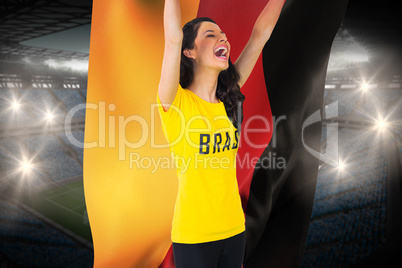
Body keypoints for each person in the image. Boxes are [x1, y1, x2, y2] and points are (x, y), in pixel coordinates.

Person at [156, 0, 285, 267]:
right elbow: (172, 39)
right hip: (194, 236)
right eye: (211, 34)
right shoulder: (176, 102)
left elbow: (261, 34)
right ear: (189, 52)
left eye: (223, 35)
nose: (222, 37)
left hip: (234, 229)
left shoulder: (230, 97)